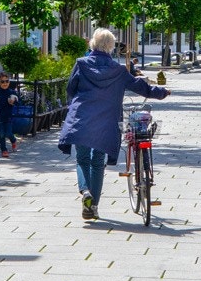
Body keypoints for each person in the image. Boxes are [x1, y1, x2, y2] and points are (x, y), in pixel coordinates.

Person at [58, 27, 170, 221]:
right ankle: (93, 207)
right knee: (97, 161)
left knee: (82, 158)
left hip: (82, 117)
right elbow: (140, 86)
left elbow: (71, 88)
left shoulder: (81, 64)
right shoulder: (118, 70)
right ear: (111, 47)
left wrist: (74, 106)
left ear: (93, 43)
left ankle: (85, 192)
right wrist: (161, 92)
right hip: (106, 121)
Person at [0, 71, 21, 158]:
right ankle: (4, 150)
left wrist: (13, 102)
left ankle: (13, 140)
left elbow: (18, 102)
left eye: (7, 81)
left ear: (9, 82)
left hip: (8, 116)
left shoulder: (11, 92)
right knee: (1, 134)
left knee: (8, 133)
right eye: (2, 81)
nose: (5, 83)